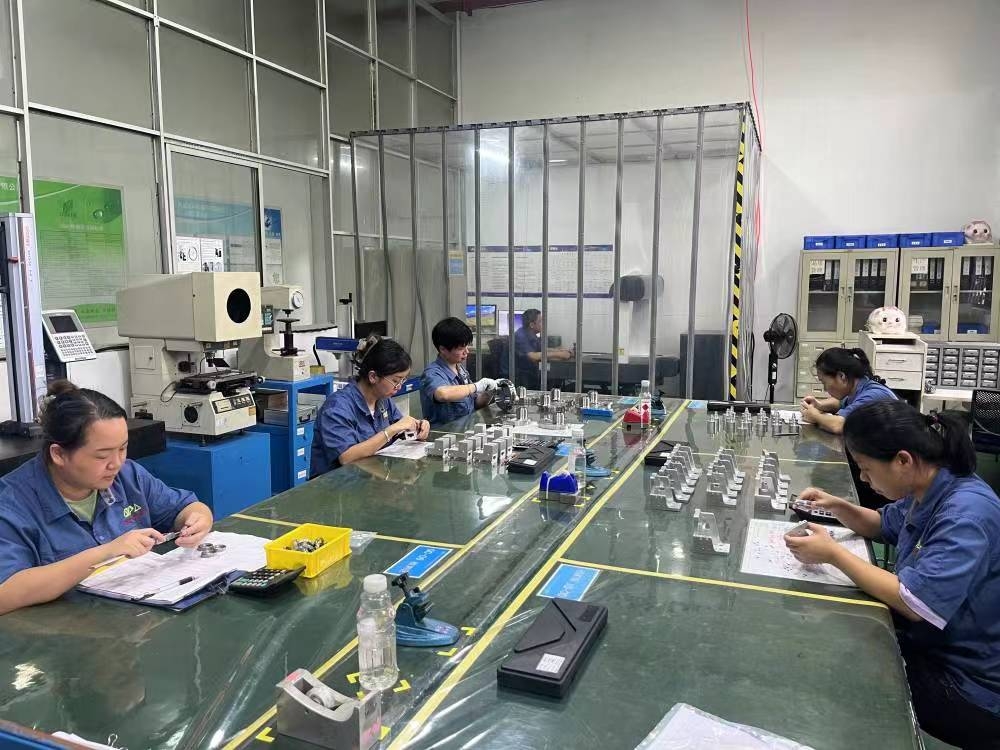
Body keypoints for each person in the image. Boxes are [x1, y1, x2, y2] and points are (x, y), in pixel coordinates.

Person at [784, 400, 1000, 748]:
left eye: (866, 468)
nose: (863, 478)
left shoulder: (965, 514)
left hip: (967, 682)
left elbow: (916, 602)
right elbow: (884, 524)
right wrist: (837, 506)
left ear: (903, 460)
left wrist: (834, 554)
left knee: (842, 673)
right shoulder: (929, 483)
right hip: (932, 645)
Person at [0, 381, 214, 616]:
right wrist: (106, 554)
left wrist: (198, 519)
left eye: (122, 449)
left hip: (132, 618)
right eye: (102, 456)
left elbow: (185, 507)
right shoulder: (12, 504)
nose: (117, 463)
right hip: (61, 630)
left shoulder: (128, 477)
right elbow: (5, 593)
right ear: (59, 454)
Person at [311, 336, 429, 476]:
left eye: (403, 380)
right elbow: (346, 457)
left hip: (372, 476)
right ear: (373, 377)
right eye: (396, 381)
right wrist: (391, 430)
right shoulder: (337, 408)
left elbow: (400, 431)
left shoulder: (383, 400)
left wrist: (417, 428)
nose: (399, 386)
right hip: (338, 484)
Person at [799, 347, 896, 435]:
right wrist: (819, 405)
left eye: (824, 382)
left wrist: (815, 416)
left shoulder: (872, 395)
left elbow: (839, 425)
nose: (825, 388)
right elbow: (840, 403)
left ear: (841, 376)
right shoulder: (858, 387)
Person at [420, 317, 498, 426]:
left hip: (466, 431)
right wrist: (476, 386)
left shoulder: (461, 370)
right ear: (443, 349)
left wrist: (490, 391)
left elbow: (475, 404)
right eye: (461, 348)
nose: (467, 352)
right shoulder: (432, 373)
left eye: (467, 346)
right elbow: (443, 394)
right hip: (444, 434)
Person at [514, 309, 573, 389]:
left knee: (555, 380)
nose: (543, 324)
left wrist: (561, 351)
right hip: (519, 377)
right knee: (553, 380)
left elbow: (541, 349)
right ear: (532, 325)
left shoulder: (531, 334)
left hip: (528, 372)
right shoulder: (521, 336)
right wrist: (558, 354)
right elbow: (533, 356)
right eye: (540, 321)